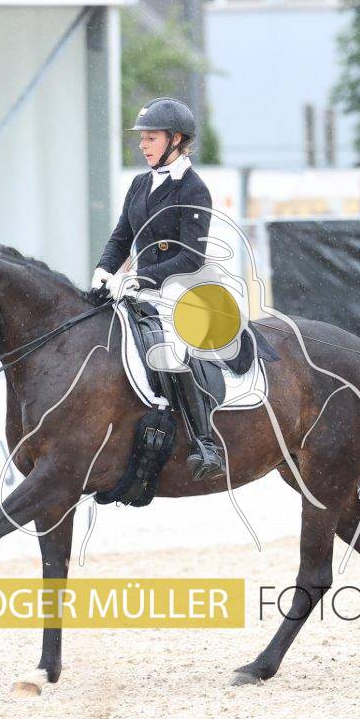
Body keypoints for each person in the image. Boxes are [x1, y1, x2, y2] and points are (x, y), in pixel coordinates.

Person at [91, 97, 224, 481]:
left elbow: (191, 257)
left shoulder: (194, 189)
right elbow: (121, 237)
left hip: (184, 287)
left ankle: (205, 442)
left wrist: (139, 278)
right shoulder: (139, 184)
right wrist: (103, 271)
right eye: (142, 138)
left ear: (176, 139)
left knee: (173, 347)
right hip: (139, 287)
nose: (143, 145)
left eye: (151, 138)